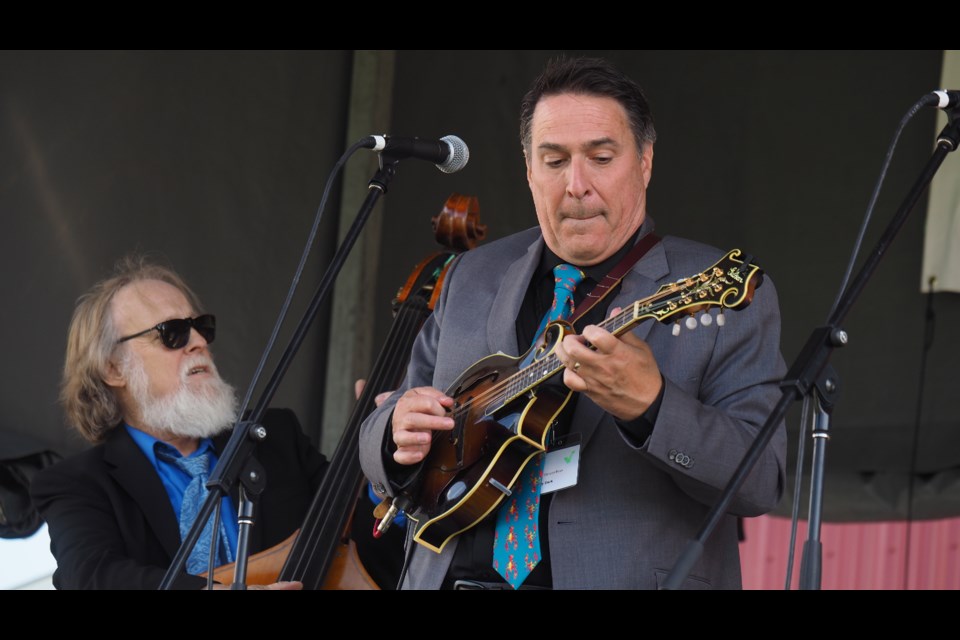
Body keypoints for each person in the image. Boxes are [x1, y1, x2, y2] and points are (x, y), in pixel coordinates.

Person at [359, 57, 788, 590]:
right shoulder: (472, 274)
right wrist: (394, 435)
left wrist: (654, 408)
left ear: (645, 162)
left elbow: (760, 480)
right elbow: (387, 416)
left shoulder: (721, 293)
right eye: (554, 160)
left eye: (601, 157)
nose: (577, 184)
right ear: (529, 169)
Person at [30, 257, 326, 589]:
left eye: (202, 326)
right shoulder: (76, 484)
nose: (199, 341)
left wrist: (383, 452)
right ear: (113, 369)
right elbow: (92, 577)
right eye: (172, 333)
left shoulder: (277, 436)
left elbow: (366, 534)